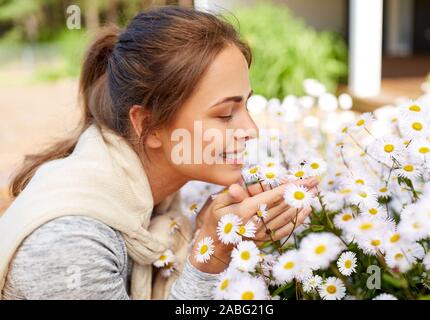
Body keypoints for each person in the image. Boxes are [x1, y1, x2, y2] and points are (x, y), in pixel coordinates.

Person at [0, 6, 317, 300]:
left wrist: (210, 235)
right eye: (224, 114)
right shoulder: (72, 244)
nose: (252, 131)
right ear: (148, 124)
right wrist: (208, 256)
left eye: (245, 104)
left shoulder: (155, 204)